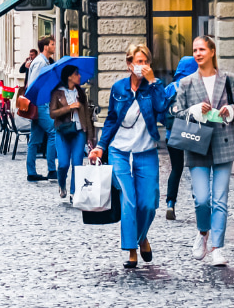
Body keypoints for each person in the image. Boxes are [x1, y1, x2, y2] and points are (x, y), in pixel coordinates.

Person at [91, 44, 170, 269]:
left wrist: (154, 82)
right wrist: (100, 146)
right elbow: (112, 120)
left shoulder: (154, 87)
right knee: (129, 200)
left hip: (146, 150)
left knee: (148, 203)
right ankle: (132, 250)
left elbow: (162, 109)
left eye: (145, 61)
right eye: (138, 61)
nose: (142, 66)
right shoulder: (118, 88)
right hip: (119, 151)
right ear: (129, 64)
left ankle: (142, 237)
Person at [172, 35, 234, 267]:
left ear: (212, 51)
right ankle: (203, 231)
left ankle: (217, 248)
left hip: (223, 142)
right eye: (195, 50)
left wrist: (230, 111)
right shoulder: (186, 83)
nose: (198, 54)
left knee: (220, 200)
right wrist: (193, 110)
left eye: (202, 49)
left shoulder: (228, 79)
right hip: (197, 144)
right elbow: (176, 113)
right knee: (202, 199)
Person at [47, 63, 92, 196]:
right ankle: (62, 184)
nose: (79, 76)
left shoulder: (81, 92)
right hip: (63, 131)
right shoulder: (57, 93)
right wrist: (69, 107)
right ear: (69, 77)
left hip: (79, 131)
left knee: (77, 164)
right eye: (76, 74)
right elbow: (52, 113)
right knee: (63, 164)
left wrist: (91, 137)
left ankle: (74, 193)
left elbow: (87, 116)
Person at [164, 53, 199, 220]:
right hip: (194, 132)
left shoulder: (171, 87)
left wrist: (167, 124)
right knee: (196, 168)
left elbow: (160, 108)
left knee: (176, 169)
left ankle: (170, 203)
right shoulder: (197, 85)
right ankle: (200, 203)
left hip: (173, 135)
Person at [24, 36, 60, 183]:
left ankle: (31, 172)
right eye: (52, 44)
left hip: (41, 102)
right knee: (53, 132)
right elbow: (33, 85)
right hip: (40, 103)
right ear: (45, 47)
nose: (54, 46)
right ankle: (52, 170)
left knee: (34, 139)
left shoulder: (44, 62)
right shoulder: (40, 63)